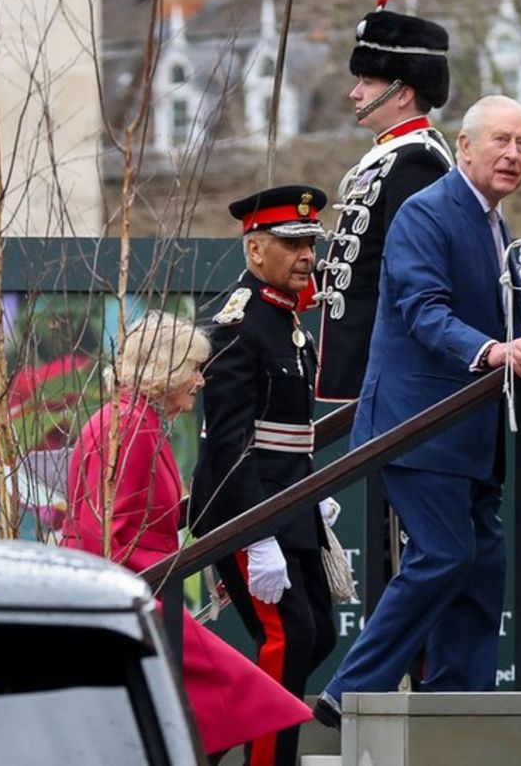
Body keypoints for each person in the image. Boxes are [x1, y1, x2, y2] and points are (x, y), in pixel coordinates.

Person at [314, 95, 521, 727]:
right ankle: (350, 689)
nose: (513, 155)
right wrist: (492, 349)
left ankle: (459, 703)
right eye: (500, 140)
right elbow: (423, 309)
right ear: (463, 148)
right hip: (418, 426)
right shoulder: (427, 212)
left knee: (482, 562)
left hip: (472, 432)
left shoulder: (500, 228)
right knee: (443, 553)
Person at [62, 312, 312, 756]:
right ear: (168, 371)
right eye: (195, 369)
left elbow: (143, 521)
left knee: (220, 707)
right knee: (237, 696)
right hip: (138, 594)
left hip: (145, 585)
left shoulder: (135, 421)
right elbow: (110, 535)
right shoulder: (130, 426)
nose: (201, 381)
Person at [188, 187, 336, 765]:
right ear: (255, 251)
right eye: (292, 242)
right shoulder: (239, 325)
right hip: (246, 507)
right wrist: (254, 532)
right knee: (288, 637)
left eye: (310, 243)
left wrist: (311, 494)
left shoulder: (284, 316)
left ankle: (207, 741)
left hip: (289, 500)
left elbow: (289, 428)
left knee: (318, 632)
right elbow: (228, 443)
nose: (306, 254)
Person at [315, 9, 455, 402]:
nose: (354, 93)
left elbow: (410, 275)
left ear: (403, 92)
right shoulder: (388, 157)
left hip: (385, 369)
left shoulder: (418, 161)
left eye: (368, 81)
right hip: (359, 367)